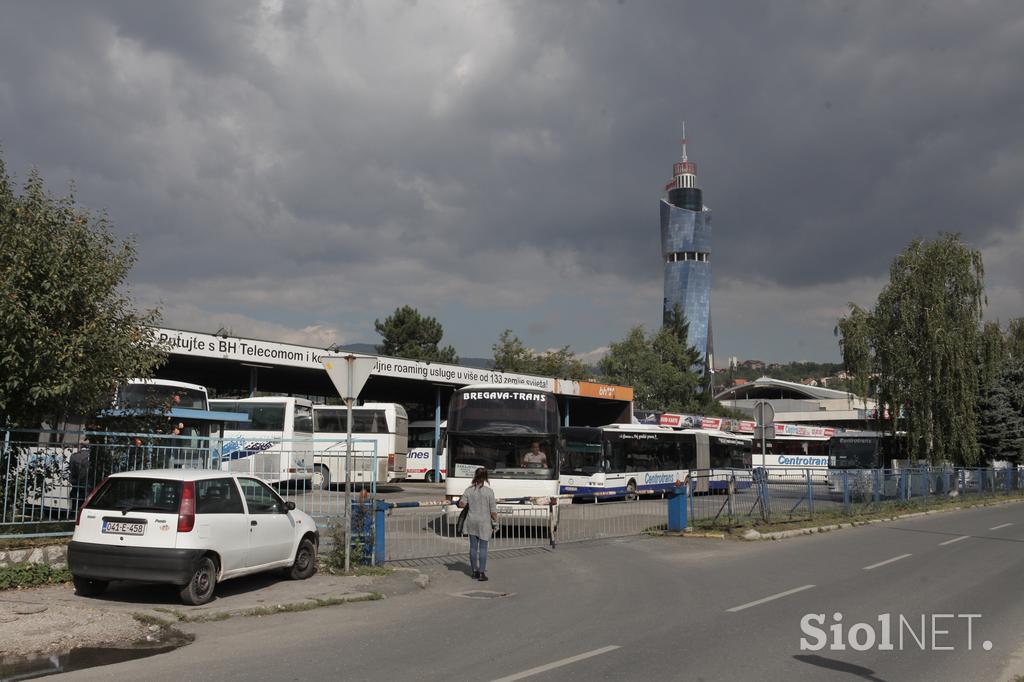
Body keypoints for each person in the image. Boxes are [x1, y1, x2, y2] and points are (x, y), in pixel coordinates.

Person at [458, 467, 498, 581]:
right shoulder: (489, 492)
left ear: (475, 476)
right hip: (484, 523)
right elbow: (493, 511)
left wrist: (460, 502)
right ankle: (481, 573)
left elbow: (461, 504)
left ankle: (474, 571)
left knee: (473, 547)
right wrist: (496, 523)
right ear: (485, 478)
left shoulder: (469, 490)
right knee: (483, 548)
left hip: (471, 521)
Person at [68, 438, 91, 513]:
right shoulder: (92, 455)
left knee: (77, 505)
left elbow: (72, 470)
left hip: (78, 484)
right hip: (90, 484)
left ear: (80, 446)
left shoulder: (74, 456)